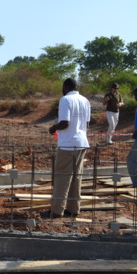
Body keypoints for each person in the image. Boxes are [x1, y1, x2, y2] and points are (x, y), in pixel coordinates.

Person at [41, 78, 95, 219]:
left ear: (65, 87)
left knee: (61, 177)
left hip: (68, 144)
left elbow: (65, 122)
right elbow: (89, 122)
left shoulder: (65, 100)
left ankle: (56, 211)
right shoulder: (85, 100)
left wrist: (53, 127)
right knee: (76, 177)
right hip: (82, 142)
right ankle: (73, 209)